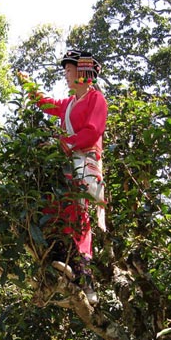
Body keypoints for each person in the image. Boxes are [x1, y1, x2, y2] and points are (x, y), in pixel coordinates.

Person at [31, 49, 108, 305]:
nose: (66, 75)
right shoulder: (68, 104)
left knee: (80, 214)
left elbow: (93, 131)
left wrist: (64, 143)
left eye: (69, 70)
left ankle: (86, 278)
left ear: (83, 72)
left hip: (85, 165)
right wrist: (30, 88)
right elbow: (46, 103)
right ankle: (61, 263)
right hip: (67, 165)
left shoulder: (96, 99)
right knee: (56, 208)